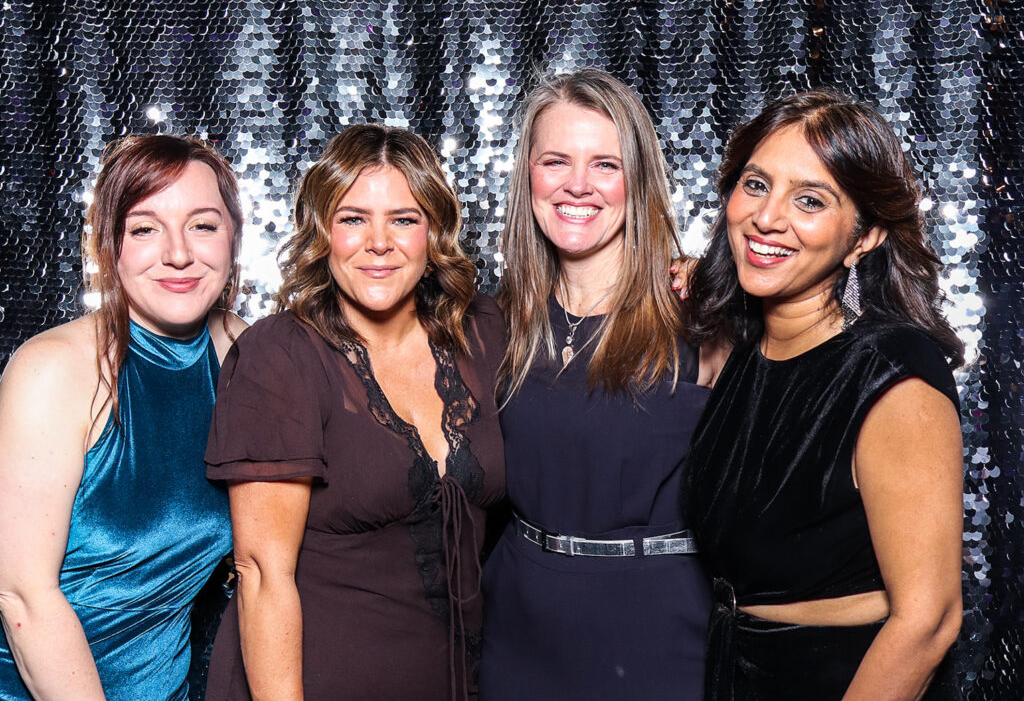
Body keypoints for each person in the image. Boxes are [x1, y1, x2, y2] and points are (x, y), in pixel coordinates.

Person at [203, 124, 506, 701]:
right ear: (323, 232)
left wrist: (687, 279)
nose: (378, 243)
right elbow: (263, 575)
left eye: (404, 218)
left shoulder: (482, 333)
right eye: (352, 218)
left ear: (433, 232)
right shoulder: (280, 357)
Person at [682, 90, 964, 700]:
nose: (767, 217)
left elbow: (929, 622)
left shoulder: (892, 374)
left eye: (810, 201)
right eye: (756, 185)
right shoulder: (750, 352)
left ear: (864, 238)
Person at [480, 68, 718, 700]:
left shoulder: (701, 316)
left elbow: (832, 369)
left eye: (605, 165)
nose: (577, 185)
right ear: (528, 176)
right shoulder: (494, 321)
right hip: (517, 626)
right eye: (555, 160)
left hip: (656, 630)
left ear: (637, 182)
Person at [0, 135, 245, 699]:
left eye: (203, 225)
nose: (178, 253)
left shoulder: (247, 356)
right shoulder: (54, 370)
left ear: (233, 237)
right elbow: (22, 595)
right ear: (111, 245)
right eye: (145, 228)